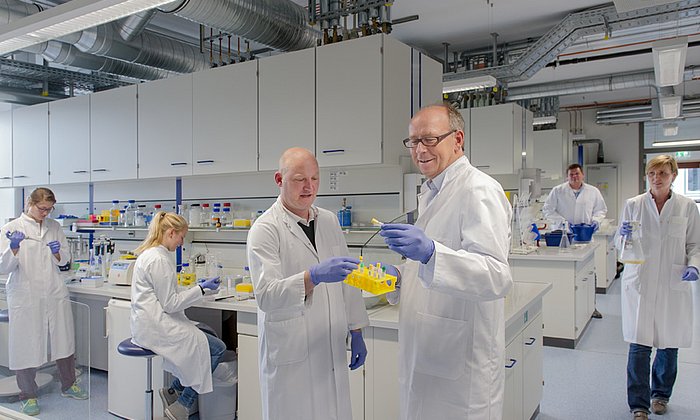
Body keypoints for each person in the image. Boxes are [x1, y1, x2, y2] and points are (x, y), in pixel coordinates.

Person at [379, 103, 513, 419]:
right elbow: (436, 262)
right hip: (430, 347)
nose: (419, 149)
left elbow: (496, 276)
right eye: (413, 141)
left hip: (461, 360)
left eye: (429, 139)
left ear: (457, 139)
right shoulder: (432, 190)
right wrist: (400, 274)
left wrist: (431, 253)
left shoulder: (478, 189)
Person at [247, 147, 369, 420]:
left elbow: (347, 278)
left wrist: (357, 329)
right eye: (300, 179)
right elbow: (267, 295)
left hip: (330, 343)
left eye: (314, 178)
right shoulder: (265, 229)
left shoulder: (328, 220)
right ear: (279, 180)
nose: (309, 187)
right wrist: (312, 277)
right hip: (292, 350)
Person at [615, 155, 699, 420]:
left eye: (662, 173)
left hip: (672, 283)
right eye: (652, 174)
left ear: (673, 175)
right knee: (639, 346)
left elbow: (695, 245)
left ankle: (661, 395)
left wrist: (694, 265)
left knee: (668, 344)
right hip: (640, 283)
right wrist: (624, 236)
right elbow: (620, 247)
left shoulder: (687, 207)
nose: (656, 178)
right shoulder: (633, 205)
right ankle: (639, 404)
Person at [0, 187, 87, 416]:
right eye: (42, 209)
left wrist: (58, 253)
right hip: (25, 294)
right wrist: (14, 247)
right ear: (30, 203)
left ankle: (69, 385)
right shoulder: (11, 229)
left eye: (49, 210)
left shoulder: (54, 227)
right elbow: (2, 267)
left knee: (63, 338)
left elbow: (65, 260)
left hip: (53, 291)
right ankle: (27, 395)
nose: (45, 214)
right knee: (25, 343)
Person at [130, 211, 225, 420]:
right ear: (171, 233)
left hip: (150, 323)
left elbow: (167, 299)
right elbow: (171, 304)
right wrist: (200, 290)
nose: (182, 242)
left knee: (204, 338)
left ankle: (173, 390)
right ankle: (182, 405)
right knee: (217, 348)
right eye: (182, 237)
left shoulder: (152, 254)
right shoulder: (159, 259)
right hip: (157, 326)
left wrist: (199, 291)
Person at [543, 163, 607, 319]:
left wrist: (595, 221)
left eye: (577, 174)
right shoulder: (558, 191)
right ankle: (571, 310)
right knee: (570, 273)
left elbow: (601, 209)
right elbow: (548, 209)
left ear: (582, 175)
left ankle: (592, 307)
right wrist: (563, 222)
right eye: (571, 174)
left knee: (590, 272)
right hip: (565, 236)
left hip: (586, 235)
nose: (574, 177)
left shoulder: (593, 191)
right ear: (567, 176)